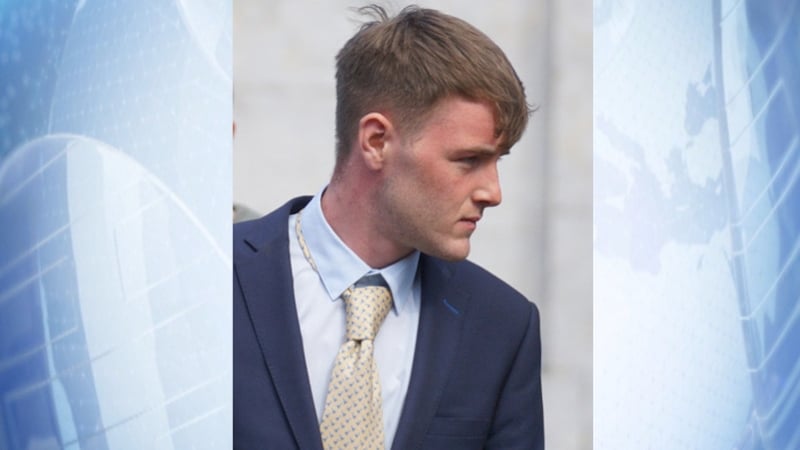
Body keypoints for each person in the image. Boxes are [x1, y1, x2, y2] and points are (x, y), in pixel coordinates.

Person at [233, 5, 544, 449]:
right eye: (469, 160)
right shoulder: (213, 275)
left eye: (497, 161)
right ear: (376, 141)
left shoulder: (502, 326)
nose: (493, 192)